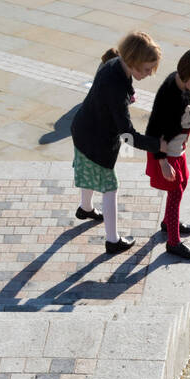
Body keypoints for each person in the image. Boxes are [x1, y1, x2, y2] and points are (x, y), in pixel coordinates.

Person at [71, 31, 166, 256]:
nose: (150, 73)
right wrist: (157, 145)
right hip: (96, 140)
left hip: (83, 128)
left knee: (88, 172)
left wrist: (128, 95)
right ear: (132, 61)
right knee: (110, 187)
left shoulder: (113, 62)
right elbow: (127, 134)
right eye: (146, 68)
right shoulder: (117, 87)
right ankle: (113, 241)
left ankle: (85, 209)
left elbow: (111, 93)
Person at [145, 46, 190, 262]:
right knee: (175, 190)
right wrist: (162, 162)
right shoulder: (168, 94)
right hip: (166, 152)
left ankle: (169, 222)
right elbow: (153, 130)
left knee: (183, 182)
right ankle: (173, 243)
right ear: (187, 76)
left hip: (179, 149)